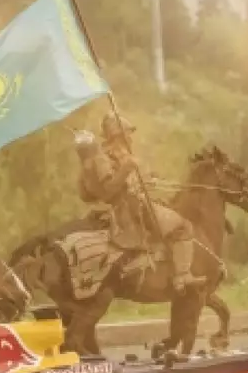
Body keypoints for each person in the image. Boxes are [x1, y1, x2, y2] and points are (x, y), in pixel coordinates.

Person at [76, 112, 206, 293]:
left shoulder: (116, 154)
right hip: (130, 208)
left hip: (133, 201)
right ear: (118, 135)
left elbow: (126, 183)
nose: (131, 138)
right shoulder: (104, 158)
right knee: (183, 227)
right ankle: (182, 276)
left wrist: (147, 179)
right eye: (128, 133)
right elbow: (109, 189)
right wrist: (127, 167)